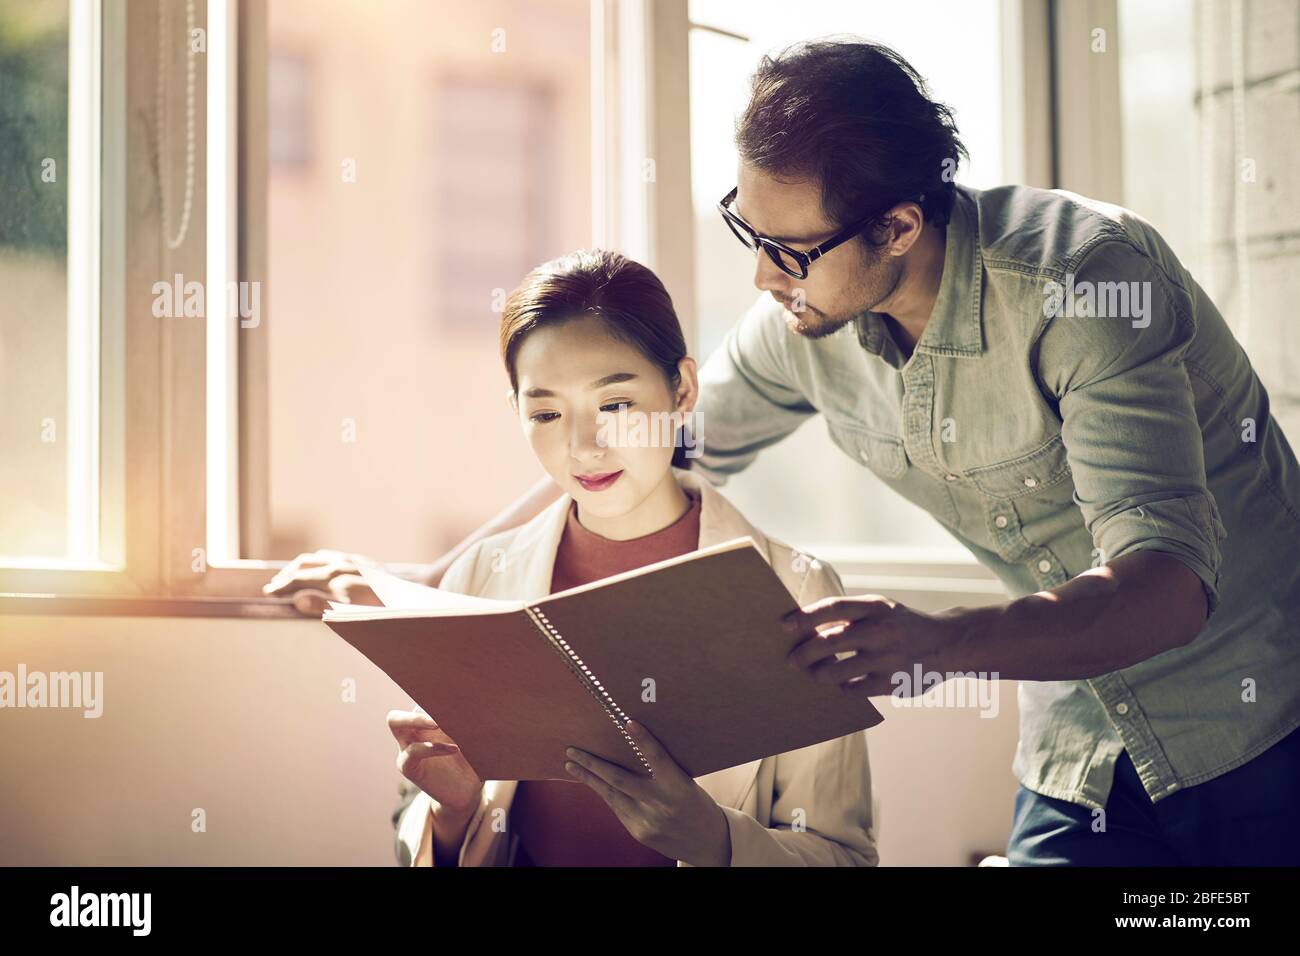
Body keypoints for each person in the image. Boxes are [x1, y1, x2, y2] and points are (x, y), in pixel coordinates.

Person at [272, 38, 1300, 866]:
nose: (764, 278)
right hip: (1079, 741)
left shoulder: (1083, 283)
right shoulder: (803, 321)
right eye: (745, 232)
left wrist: (933, 642)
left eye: (790, 250)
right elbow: (628, 452)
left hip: (1258, 720)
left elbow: (1165, 590)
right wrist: (429, 586)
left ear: (897, 226)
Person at [383, 249, 875, 866]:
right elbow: (418, 835)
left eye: (614, 404)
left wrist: (714, 841)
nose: (583, 445)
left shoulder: (799, 591)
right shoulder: (477, 580)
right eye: (545, 412)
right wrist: (451, 811)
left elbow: (844, 856)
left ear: (683, 389)